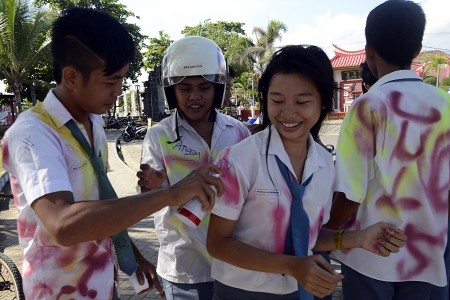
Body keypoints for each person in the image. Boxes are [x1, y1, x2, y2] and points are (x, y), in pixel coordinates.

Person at [1, 8, 222, 300]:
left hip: (102, 283)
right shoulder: (33, 134)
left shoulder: (92, 122)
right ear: (71, 77)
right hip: (57, 291)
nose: (119, 91)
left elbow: (101, 202)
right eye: (110, 82)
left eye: (121, 80)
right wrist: (171, 194)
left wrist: (129, 255)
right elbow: (63, 224)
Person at [206, 44, 406, 300]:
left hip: (300, 291)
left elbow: (310, 234)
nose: (288, 113)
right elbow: (218, 243)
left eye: (302, 101)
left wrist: (359, 238)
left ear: (322, 102)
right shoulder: (239, 160)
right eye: (276, 100)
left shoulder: (324, 162)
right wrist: (292, 265)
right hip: (241, 292)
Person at [324, 1, 450, 299]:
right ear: (418, 48)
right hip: (428, 251)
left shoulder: (369, 106)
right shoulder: (443, 103)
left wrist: (324, 232)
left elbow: (351, 193)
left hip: (372, 258)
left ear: (368, 52)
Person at [138, 36, 251, 299]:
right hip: (185, 267)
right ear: (172, 93)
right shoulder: (159, 136)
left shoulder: (238, 132)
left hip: (235, 261)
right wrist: (155, 187)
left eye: (204, 88)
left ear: (218, 89)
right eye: (185, 88)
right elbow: (147, 198)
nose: (195, 97)